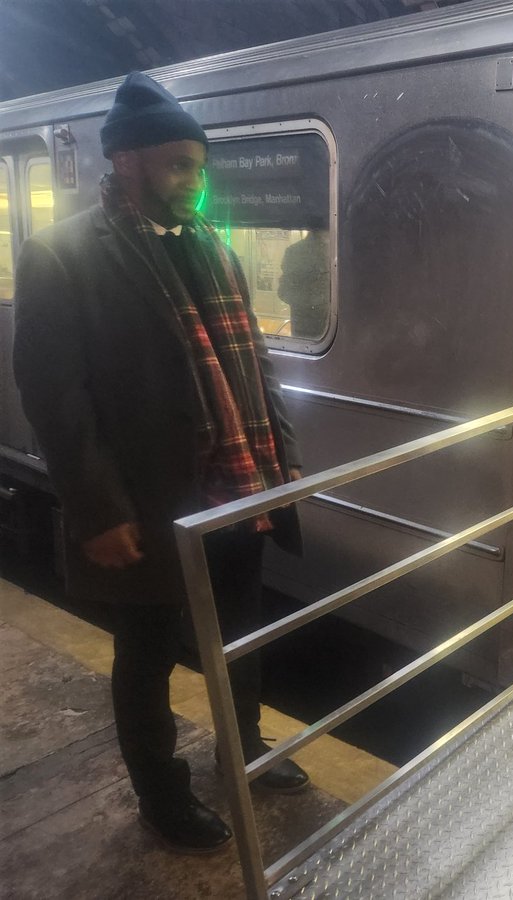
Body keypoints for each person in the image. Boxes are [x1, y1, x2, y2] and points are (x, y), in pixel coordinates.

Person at [12, 72, 311, 855]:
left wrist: (280, 460)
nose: (194, 180)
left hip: (236, 488)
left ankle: (242, 749)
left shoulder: (211, 243)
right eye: (178, 165)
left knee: (241, 631)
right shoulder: (62, 254)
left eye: (199, 166)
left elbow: (256, 365)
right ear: (126, 163)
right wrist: (98, 512)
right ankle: (161, 798)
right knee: (145, 655)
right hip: (147, 501)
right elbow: (56, 399)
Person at [278, 225, 331, 340]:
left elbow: (283, 292)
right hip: (310, 328)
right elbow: (284, 292)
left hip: (305, 329)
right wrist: (316, 300)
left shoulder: (293, 251)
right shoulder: (297, 252)